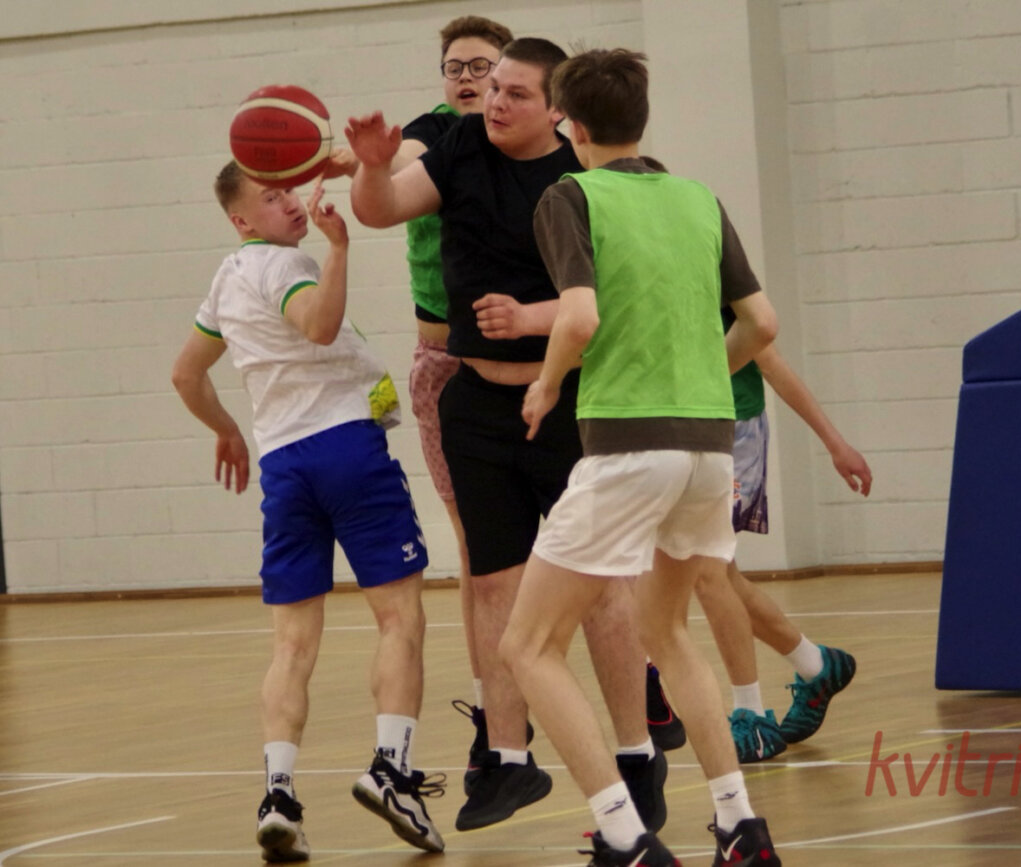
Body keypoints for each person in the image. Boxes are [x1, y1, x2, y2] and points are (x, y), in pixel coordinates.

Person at [346, 37, 658, 833]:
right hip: (476, 403)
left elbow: (620, 296)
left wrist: (532, 318)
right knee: (492, 583)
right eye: (493, 89)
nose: (494, 102)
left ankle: (636, 752)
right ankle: (510, 758)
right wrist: (374, 167)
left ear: (556, 110)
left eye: (515, 93)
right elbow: (378, 208)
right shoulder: (459, 148)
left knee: (602, 587)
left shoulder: (582, 178)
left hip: (572, 400)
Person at [499, 48, 784, 866]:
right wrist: (699, 379)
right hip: (708, 446)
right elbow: (761, 324)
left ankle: (624, 836)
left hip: (629, 446)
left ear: (570, 125)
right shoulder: (699, 198)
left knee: (527, 646)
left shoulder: (570, 194)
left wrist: (547, 383)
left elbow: (578, 318)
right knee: (666, 629)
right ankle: (739, 823)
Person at [171, 164, 445, 861]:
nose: (291, 203)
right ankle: (392, 771)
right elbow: (320, 326)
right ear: (241, 220)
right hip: (345, 451)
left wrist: (227, 430)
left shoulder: (226, 279)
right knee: (401, 618)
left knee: (291, 645)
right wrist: (340, 249)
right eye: (271, 197)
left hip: (284, 467)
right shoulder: (287, 265)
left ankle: (279, 797)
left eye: (289, 190)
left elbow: (186, 373)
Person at [324, 12, 518, 792]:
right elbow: (394, 158)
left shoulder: (535, 142)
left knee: (577, 545)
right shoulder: (434, 135)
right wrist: (349, 158)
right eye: (454, 67)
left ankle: (640, 683)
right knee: (478, 549)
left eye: (481, 65)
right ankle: (492, 711)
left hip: (536, 361)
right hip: (447, 363)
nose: (466, 78)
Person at [694, 342, 872, 762]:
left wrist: (835, 443)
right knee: (716, 574)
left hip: (733, 430)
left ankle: (752, 713)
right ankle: (817, 666)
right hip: (684, 427)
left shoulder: (727, 298)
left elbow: (770, 358)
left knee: (707, 571)